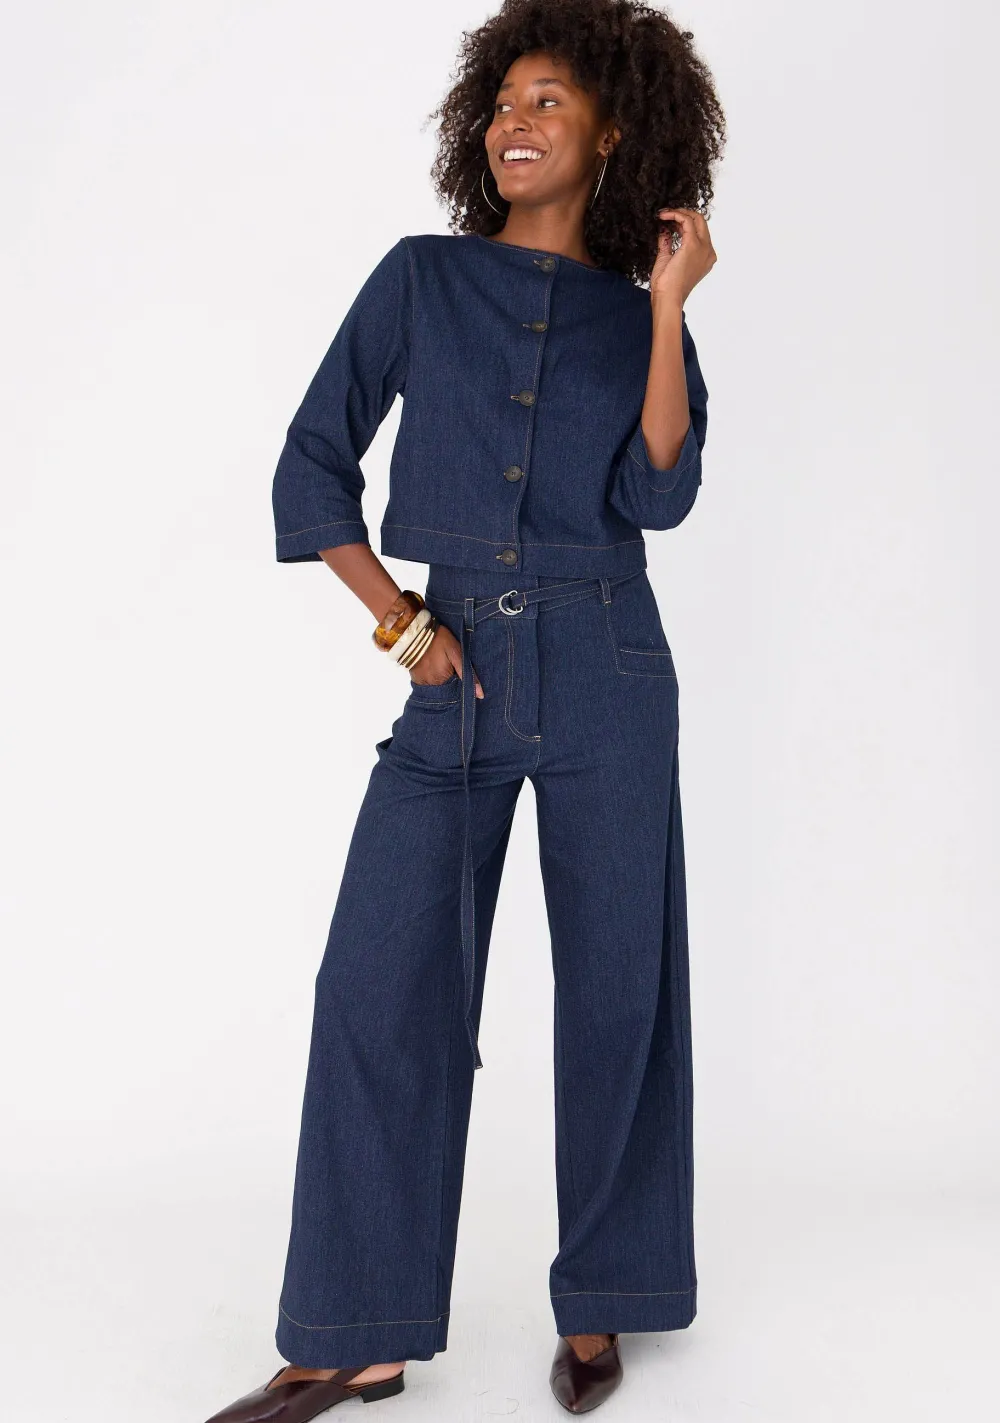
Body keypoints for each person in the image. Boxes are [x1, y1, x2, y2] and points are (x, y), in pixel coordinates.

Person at [206, 1, 723, 1418]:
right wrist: (402, 623)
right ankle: (355, 1331)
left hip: (612, 663)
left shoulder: (634, 317)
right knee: (378, 986)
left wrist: (668, 306)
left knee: (621, 992)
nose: (516, 121)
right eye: (504, 100)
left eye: (551, 101)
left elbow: (661, 494)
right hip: (458, 669)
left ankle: (607, 1298)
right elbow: (311, 466)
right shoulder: (421, 279)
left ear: (612, 134)